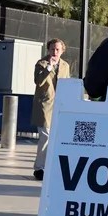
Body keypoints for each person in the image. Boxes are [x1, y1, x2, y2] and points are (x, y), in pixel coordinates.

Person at [31, 38, 70, 181]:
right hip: (44, 106)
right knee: (45, 136)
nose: (54, 52)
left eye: (57, 49)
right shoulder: (41, 64)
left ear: (62, 51)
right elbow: (38, 81)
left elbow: (67, 83)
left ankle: (51, 167)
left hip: (59, 106)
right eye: (52, 49)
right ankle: (39, 168)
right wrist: (49, 68)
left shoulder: (65, 65)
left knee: (55, 138)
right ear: (48, 50)